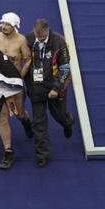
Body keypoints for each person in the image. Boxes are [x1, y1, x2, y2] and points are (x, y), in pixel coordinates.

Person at [0, 12, 33, 169]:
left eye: (8, 25)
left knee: (18, 113)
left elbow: (28, 59)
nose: (4, 27)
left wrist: (19, 76)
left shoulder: (21, 41)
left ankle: (26, 121)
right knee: (2, 117)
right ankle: (8, 151)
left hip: (14, 84)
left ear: (15, 26)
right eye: (3, 24)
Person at [25, 19, 74, 167]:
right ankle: (42, 154)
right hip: (36, 86)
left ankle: (67, 122)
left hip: (55, 86)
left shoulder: (59, 41)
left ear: (48, 30)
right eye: (37, 35)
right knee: (39, 122)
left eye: (42, 36)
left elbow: (65, 68)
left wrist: (56, 88)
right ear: (33, 30)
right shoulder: (28, 39)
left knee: (59, 114)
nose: (39, 38)